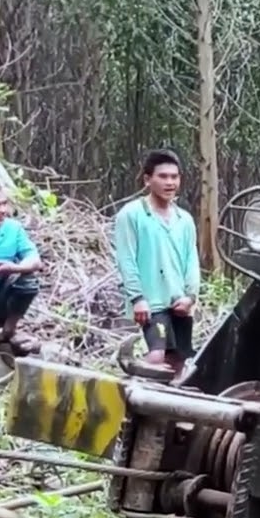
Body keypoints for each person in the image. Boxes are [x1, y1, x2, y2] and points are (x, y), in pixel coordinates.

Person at [112, 149, 200, 374]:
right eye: (163, 176)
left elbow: (191, 260)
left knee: (178, 358)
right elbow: (126, 259)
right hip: (151, 301)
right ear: (147, 179)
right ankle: (134, 394)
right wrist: (137, 298)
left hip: (179, 301)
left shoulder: (185, 220)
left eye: (174, 177)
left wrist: (191, 296)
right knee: (156, 355)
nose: (169, 182)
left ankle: (167, 404)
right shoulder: (131, 215)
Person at [0, 187, 44, 354]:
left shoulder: (13, 229)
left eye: (4, 204)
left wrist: (14, 268)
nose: (2, 210)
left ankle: (8, 329)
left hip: (1, 292)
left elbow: (35, 260)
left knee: (28, 279)